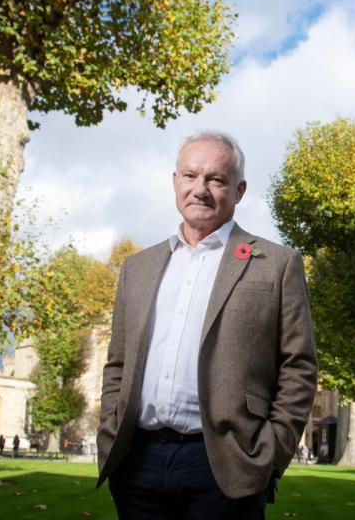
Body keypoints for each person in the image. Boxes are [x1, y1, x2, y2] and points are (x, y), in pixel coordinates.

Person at [96, 132, 318, 520]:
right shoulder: (138, 267)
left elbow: (299, 366)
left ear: (239, 190)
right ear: (175, 181)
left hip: (226, 463)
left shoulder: (277, 263)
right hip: (138, 463)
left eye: (216, 179)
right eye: (190, 176)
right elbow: (118, 363)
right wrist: (110, 431)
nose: (200, 189)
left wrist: (270, 452)